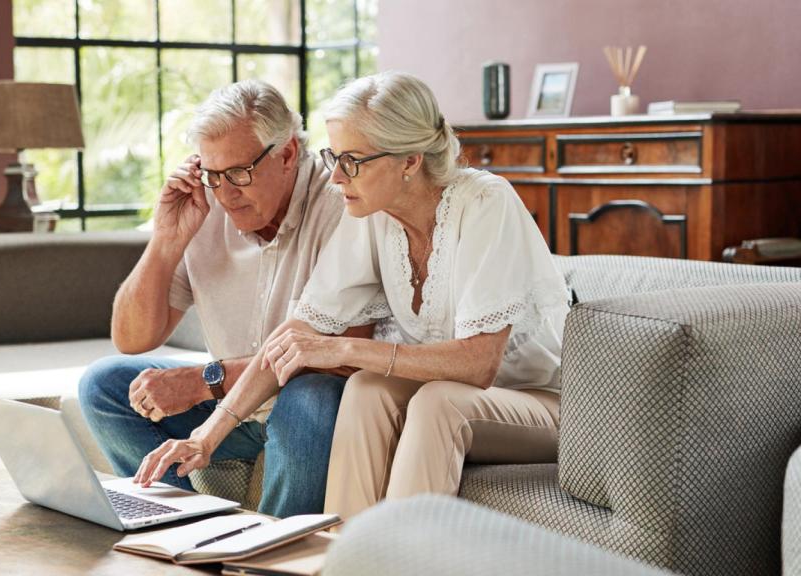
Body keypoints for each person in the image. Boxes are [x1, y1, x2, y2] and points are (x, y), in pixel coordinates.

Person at [132, 71, 569, 521]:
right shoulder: (372, 214)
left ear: (410, 161)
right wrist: (207, 435)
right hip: (457, 395)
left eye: (353, 161)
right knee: (367, 388)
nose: (336, 176)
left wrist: (343, 347)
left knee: (437, 403)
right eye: (333, 157)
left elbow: (479, 365)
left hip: (541, 404)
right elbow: (297, 333)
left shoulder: (485, 203)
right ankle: (341, 556)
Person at [78, 80, 367, 518]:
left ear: (287, 154)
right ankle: (184, 531)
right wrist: (166, 239)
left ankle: (265, 555)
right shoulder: (207, 200)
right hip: (233, 408)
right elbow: (132, 339)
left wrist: (203, 381)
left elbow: (341, 350)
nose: (225, 193)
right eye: (213, 175)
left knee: (313, 393)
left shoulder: (340, 202)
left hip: (310, 413)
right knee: (105, 385)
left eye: (238, 173)